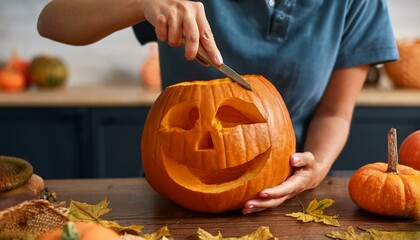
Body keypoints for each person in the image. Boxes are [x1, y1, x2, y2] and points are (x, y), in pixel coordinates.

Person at [37, 0, 399, 214]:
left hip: (290, 195)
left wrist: (315, 168)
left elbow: (335, 112)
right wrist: (142, 1)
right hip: (173, 205)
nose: (215, 139)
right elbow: (52, 21)